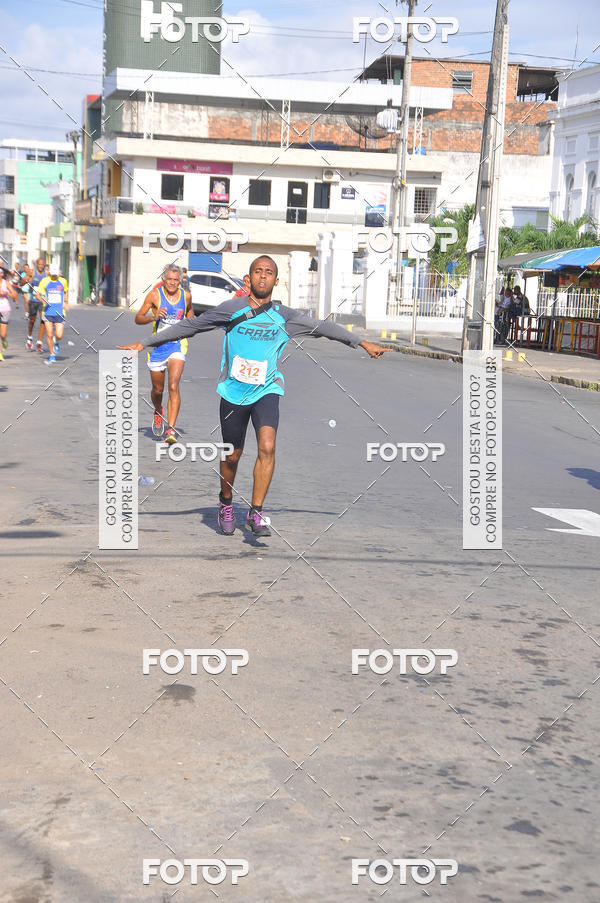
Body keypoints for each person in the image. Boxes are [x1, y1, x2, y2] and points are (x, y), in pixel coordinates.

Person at [119, 254, 390, 537]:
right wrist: (144, 342)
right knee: (232, 455)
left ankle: (256, 512)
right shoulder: (231, 309)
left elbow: (324, 327)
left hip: (267, 389)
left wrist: (362, 342)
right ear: (249, 279)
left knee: (268, 446)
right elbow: (191, 326)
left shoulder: (285, 316)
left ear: (276, 280)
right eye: (258, 271)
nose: (263, 276)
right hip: (234, 392)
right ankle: (225, 502)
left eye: (269, 272)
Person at [135, 264, 194, 445]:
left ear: (180, 281)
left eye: (176, 280)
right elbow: (138, 318)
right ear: (163, 279)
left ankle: (170, 429)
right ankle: (158, 410)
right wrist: (154, 317)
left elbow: (190, 313)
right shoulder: (154, 295)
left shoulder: (186, 296)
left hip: (178, 345)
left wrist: (189, 323)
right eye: (169, 279)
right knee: (158, 390)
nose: (172, 283)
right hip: (158, 347)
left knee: (174, 385)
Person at [38, 264, 68, 363]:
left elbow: (65, 292)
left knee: (59, 335)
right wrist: (43, 300)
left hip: (59, 312)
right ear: (49, 272)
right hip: (47, 312)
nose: (54, 276)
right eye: (52, 274)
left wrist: (66, 302)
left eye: (56, 274)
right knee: (49, 334)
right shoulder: (45, 281)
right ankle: (52, 355)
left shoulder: (63, 281)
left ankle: (56, 341)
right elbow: (38, 294)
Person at [28, 258, 48, 351]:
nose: (41, 266)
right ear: (36, 264)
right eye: (39, 264)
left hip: (42, 300)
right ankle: (30, 336)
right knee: (32, 320)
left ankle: (39, 342)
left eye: (42, 264)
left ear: (44, 265)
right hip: (33, 299)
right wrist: (28, 279)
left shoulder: (46, 274)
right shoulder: (32, 272)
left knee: (43, 319)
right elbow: (22, 282)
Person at [0, 268, 18, 361]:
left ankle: (4, 340)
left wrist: (6, 293)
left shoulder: (6, 283)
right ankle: (0, 353)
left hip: (5, 309)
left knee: (3, 334)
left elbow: (14, 294)